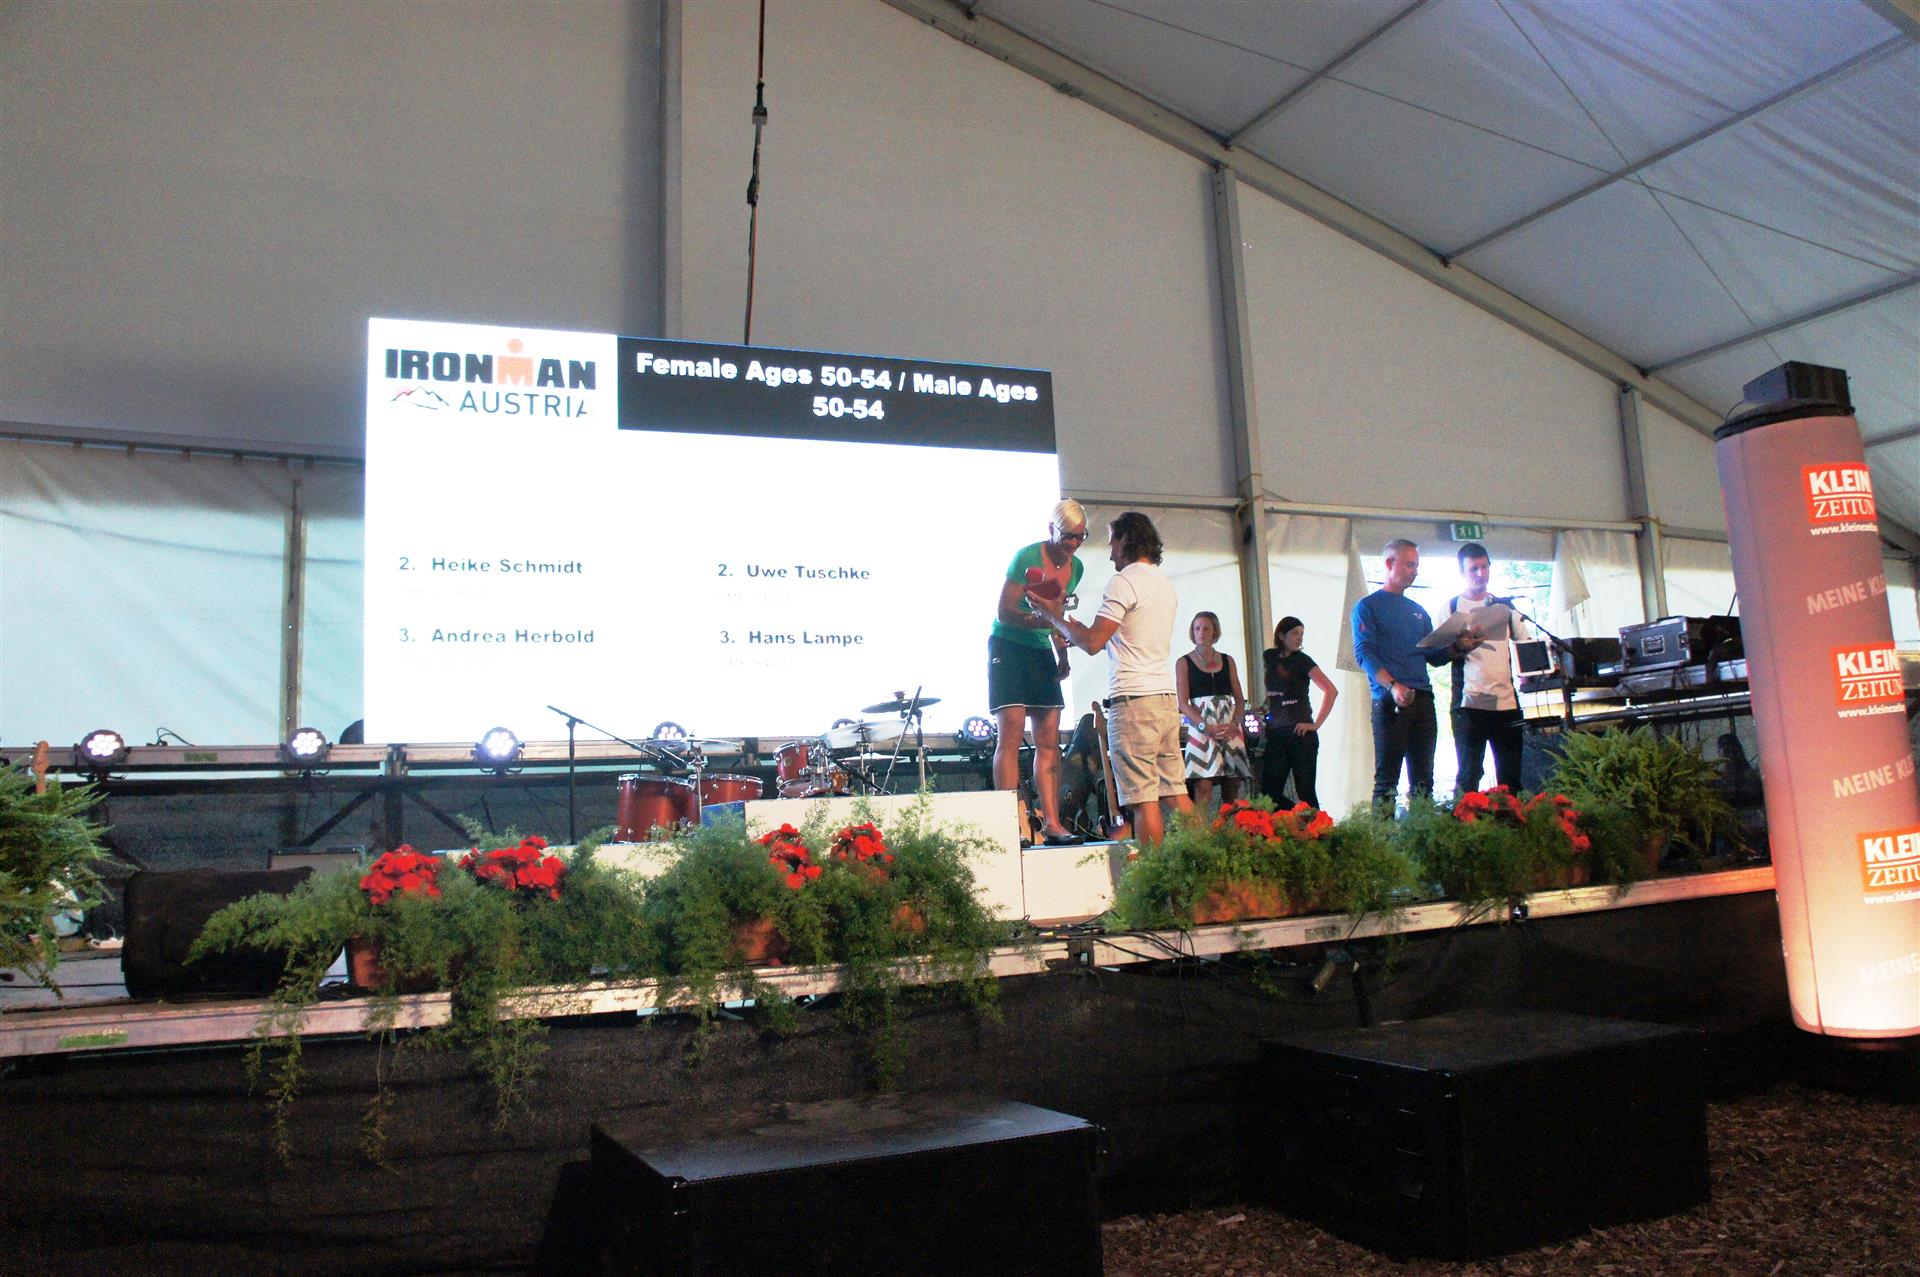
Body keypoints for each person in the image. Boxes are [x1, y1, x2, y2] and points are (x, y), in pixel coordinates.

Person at [1026, 511, 1193, 845]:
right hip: (1163, 700)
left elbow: (1092, 643)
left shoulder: (1124, 581)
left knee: (1143, 800)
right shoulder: (1163, 583)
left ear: (1127, 539)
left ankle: (1152, 873)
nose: (1109, 550)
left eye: (1113, 541)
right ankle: (1210, 860)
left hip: (1134, 703)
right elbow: (1118, 639)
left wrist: (1051, 616)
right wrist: (1071, 628)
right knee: (1176, 794)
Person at [1351, 538, 1477, 811]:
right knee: (1387, 781)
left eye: (1416, 566)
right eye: (1409, 565)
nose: (1415, 572)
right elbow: (1364, 653)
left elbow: (1433, 656)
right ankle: (1383, 836)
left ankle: (1421, 833)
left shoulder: (1418, 611)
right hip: (1390, 701)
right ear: (1389, 563)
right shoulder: (1368, 606)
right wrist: (1393, 686)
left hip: (1423, 699)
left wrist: (1459, 646)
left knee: (1423, 782)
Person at [988, 498, 1087, 846]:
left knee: (1048, 736)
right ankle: (1011, 824)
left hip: (1040, 646)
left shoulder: (1076, 568)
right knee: (1012, 732)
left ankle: (1053, 823)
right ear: (1051, 530)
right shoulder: (1027, 557)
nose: (1073, 543)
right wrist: (1040, 620)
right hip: (1008, 646)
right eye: (1067, 536)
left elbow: (1056, 617)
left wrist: (1062, 653)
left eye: (1080, 537)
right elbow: (1004, 612)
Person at [1445, 542, 1528, 792]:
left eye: (1484, 567)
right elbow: (1435, 654)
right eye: (1473, 569)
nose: (1480, 574)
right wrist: (1459, 645)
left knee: (1511, 778)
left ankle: (1511, 816)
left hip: (1507, 703)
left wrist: (1530, 675)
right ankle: (1466, 817)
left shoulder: (1505, 606)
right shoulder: (1451, 607)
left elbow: (1526, 644)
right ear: (1462, 572)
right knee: (1469, 777)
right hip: (1470, 704)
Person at [1176, 611, 1250, 813]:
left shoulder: (1228, 660)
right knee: (1203, 786)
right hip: (1201, 725)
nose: (1200, 632)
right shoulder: (1184, 662)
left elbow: (1239, 699)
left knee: (1232, 785)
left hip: (1228, 724)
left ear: (1214, 631)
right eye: (1197, 628)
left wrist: (1235, 723)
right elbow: (1183, 703)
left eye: (1206, 628)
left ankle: (1227, 826)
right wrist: (1204, 726)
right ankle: (1199, 829)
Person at [1260, 615, 1337, 809]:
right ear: (1281, 635)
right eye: (1295, 633)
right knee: (1270, 793)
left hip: (1300, 731)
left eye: (1301, 634)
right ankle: (1296, 817)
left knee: (1306, 791)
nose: (1299, 638)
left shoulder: (1303, 661)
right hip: (1276, 731)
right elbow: (1274, 692)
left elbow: (1331, 690)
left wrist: (1316, 725)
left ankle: (1313, 822)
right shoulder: (1269, 657)